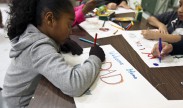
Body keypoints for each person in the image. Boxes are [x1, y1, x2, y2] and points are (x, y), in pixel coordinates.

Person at [2, 0, 105, 107]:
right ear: (50, 19)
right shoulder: (38, 48)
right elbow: (74, 85)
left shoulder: (32, 33)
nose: (70, 31)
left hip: (15, 95)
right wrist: (95, 57)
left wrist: (58, 44)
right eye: (69, 25)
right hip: (20, 104)